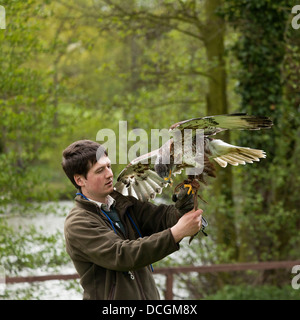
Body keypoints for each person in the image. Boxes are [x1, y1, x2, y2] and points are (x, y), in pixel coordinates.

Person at [62, 139, 203, 300]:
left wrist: (183, 208)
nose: (109, 174)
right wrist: (176, 233)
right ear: (80, 180)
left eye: (108, 166)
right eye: (100, 170)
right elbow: (122, 254)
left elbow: (161, 218)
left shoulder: (122, 203)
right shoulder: (78, 223)